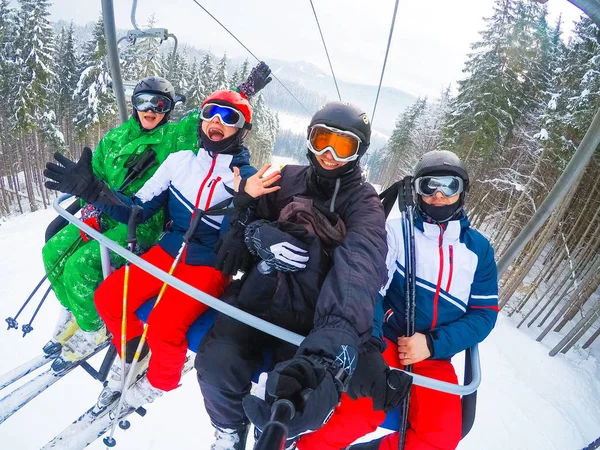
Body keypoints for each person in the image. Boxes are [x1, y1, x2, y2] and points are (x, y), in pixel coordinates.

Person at [44, 85, 279, 411]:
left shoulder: (248, 179)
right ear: (201, 120)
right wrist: (96, 192)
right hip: (167, 250)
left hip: (208, 264)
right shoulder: (179, 162)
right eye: (211, 112)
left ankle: (161, 379)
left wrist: (244, 206)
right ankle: (134, 352)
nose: (217, 121)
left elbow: (250, 236)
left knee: (165, 325)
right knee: (109, 298)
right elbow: (136, 211)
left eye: (230, 117)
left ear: (242, 130)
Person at [195, 101, 392, 450]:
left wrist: (328, 355)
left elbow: (359, 272)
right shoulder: (285, 179)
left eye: (343, 145)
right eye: (322, 140)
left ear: (359, 152)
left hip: (312, 318)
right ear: (309, 140)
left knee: (296, 388)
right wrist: (255, 232)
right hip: (258, 297)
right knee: (216, 363)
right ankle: (227, 429)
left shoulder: (365, 206)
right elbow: (242, 227)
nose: (329, 154)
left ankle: (275, 436)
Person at [297, 150, 499, 450]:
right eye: (429, 186)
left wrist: (432, 344)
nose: (439, 196)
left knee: (441, 439)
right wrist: (372, 342)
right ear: (417, 190)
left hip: (434, 357)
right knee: (358, 411)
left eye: (450, 186)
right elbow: (372, 291)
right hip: (387, 343)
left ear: (463, 192)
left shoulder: (478, 251)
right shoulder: (395, 232)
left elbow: (483, 315)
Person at [41, 76, 197, 371]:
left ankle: (94, 327)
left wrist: (242, 93)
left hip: (139, 223)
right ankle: (78, 309)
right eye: (143, 102)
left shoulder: (175, 137)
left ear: (169, 108)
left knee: (80, 266)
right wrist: (84, 196)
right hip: (101, 211)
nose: (150, 110)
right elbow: (96, 173)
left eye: (159, 104)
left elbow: (205, 119)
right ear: (134, 105)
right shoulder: (116, 137)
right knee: (52, 252)